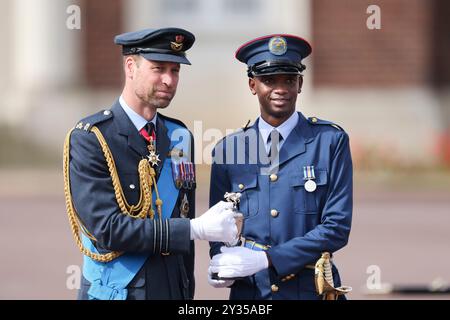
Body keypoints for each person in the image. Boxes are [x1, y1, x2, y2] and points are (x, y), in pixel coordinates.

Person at [63, 27, 237, 300]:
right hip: (119, 292)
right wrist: (194, 230)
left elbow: (183, 219)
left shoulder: (180, 137)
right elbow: (107, 229)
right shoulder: (92, 138)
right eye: (158, 68)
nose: (169, 80)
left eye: (175, 70)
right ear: (131, 66)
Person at [208, 34, 353, 300]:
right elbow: (220, 223)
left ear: (300, 83)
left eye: (288, 80)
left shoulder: (330, 141)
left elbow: (337, 228)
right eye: (268, 80)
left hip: (310, 289)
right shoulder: (228, 150)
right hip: (251, 291)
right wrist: (220, 260)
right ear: (253, 85)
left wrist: (268, 258)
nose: (280, 88)